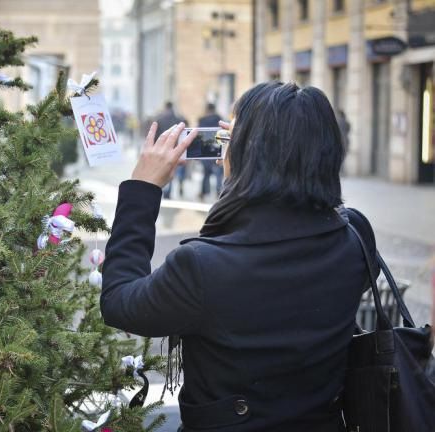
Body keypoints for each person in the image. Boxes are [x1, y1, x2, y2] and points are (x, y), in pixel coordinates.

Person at [100, 82, 379, 431]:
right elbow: (321, 215)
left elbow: (118, 301)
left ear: (249, 154)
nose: (223, 151)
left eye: (233, 140)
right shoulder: (355, 237)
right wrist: (270, 149)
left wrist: (142, 189)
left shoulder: (201, 267)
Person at [155, 101, 187, 199]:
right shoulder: (179, 119)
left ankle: (167, 191)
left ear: (165, 107)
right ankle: (180, 182)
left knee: (167, 170)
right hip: (178, 149)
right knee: (178, 168)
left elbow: (157, 136)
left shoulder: (159, 119)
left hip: (164, 149)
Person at [197, 103, 223, 200]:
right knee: (218, 173)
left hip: (205, 149)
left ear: (207, 109)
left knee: (206, 173)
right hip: (217, 148)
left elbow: (198, 136)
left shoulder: (202, 120)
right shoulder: (219, 119)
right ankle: (219, 192)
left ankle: (204, 192)